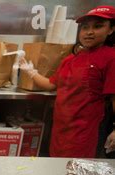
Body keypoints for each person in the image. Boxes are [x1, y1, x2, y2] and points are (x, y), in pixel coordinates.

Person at [20, 5, 115, 158]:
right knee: (56, 166)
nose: (89, 32)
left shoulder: (110, 57)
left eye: (98, 26)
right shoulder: (72, 58)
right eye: (85, 27)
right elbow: (51, 84)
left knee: (76, 170)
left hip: (84, 130)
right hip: (60, 128)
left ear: (111, 30)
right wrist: (31, 71)